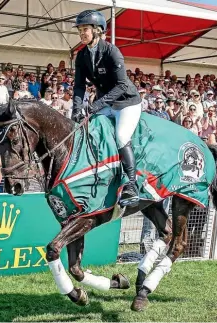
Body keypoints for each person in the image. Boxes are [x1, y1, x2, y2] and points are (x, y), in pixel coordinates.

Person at [71, 10, 142, 207]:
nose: (81, 33)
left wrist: (95, 105)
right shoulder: (82, 55)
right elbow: (79, 85)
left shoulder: (112, 51)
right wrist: (76, 107)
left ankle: (131, 183)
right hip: (105, 102)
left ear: (98, 30)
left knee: (120, 137)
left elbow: (121, 86)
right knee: (89, 132)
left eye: (85, 29)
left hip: (127, 102)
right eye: (80, 30)